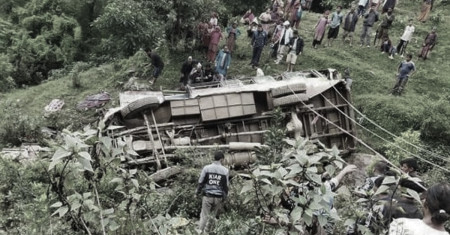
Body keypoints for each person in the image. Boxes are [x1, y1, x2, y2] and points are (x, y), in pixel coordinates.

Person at [196, 151, 229, 233]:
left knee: (204, 216)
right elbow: (226, 186)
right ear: (221, 159)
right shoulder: (225, 170)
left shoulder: (206, 168)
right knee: (212, 217)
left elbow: (201, 182)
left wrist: (197, 193)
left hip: (207, 196)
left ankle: (200, 232)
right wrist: (224, 197)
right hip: (218, 198)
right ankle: (208, 232)